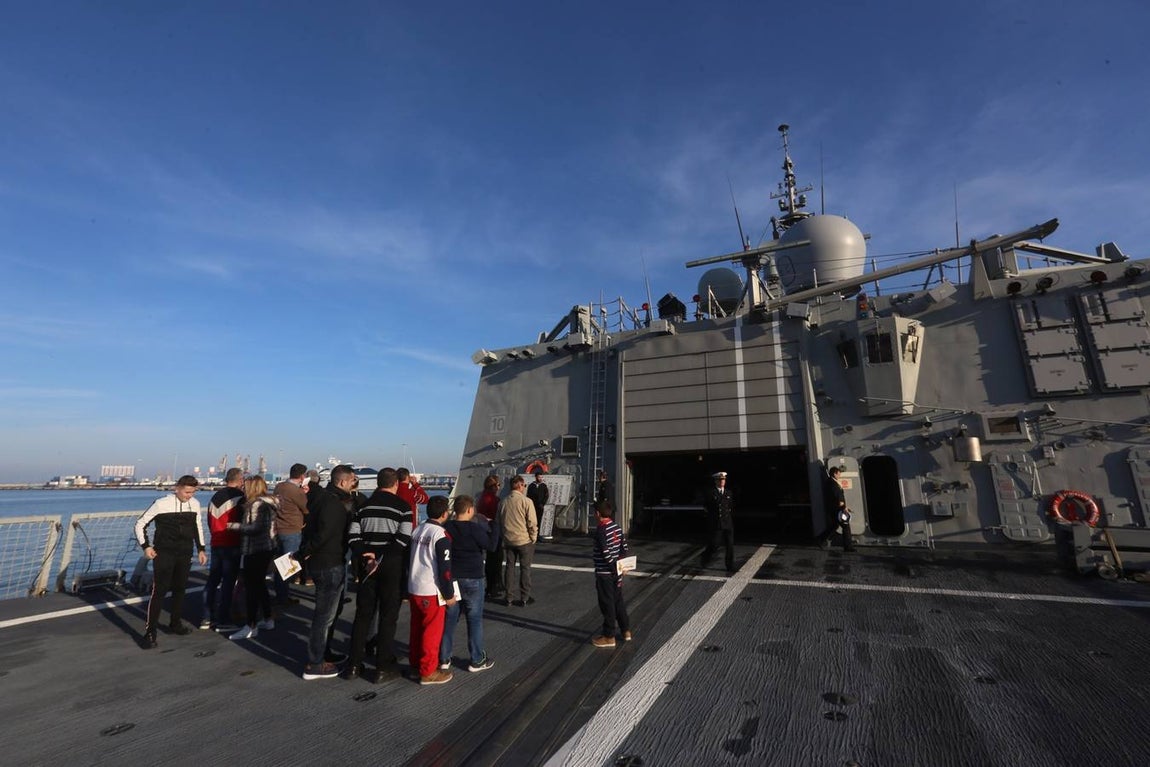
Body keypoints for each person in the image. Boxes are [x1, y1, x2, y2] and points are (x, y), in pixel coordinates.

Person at [342, 467, 413, 683]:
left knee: (363, 615)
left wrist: (368, 555)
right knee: (388, 617)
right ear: (396, 484)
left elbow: (352, 537)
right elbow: (403, 539)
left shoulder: (362, 507)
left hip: (366, 567)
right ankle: (383, 667)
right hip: (391, 567)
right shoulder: (404, 507)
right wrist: (381, 558)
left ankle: (353, 665)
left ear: (377, 483)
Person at [133, 475, 208, 648]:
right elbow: (140, 524)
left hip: (184, 552)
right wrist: (146, 546)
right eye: (187, 492)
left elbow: (197, 527)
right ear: (177, 488)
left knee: (180, 589)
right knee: (159, 591)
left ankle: (175, 623)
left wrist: (201, 549)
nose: (189, 495)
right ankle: (150, 632)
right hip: (164, 553)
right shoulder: (161, 503)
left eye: (193, 492)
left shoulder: (195, 504)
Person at [297, 464, 356, 680]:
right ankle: (315, 663)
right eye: (352, 481)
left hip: (325, 562)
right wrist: (304, 552)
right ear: (342, 481)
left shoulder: (320, 499)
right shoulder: (333, 504)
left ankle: (324, 652)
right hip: (330, 563)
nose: (354, 485)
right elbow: (324, 534)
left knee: (329, 613)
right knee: (324, 615)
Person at [440, 495, 495, 673]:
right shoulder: (475, 528)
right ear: (470, 510)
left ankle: (443, 658)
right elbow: (491, 545)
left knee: (450, 619)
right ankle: (477, 659)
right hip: (473, 578)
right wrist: (495, 526)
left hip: (453, 579)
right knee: (474, 619)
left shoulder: (446, 527)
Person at [408, 495, 457, 685]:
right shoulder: (441, 535)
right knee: (432, 632)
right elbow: (445, 570)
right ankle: (428, 671)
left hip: (414, 587)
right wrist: (449, 594)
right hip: (431, 589)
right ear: (445, 514)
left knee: (416, 629)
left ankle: (415, 665)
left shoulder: (417, 529)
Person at [229, 476, 279, 641]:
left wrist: (233, 526)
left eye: (245, 486)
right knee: (260, 585)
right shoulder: (270, 503)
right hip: (266, 548)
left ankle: (250, 625)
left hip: (254, 549)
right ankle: (268, 618)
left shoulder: (256, 504)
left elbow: (255, 527)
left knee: (251, 588)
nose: (243, 488)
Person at [201, 467, 244, 631]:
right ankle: (223, 618)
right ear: (240, 480)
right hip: (232, 543)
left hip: (216, 542)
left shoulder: (214, 497)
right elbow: (243, 522)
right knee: (228, 582)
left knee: (213, 579)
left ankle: (206, 616)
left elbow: (209, 521)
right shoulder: (239, 498)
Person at [591, 500, 632, 648]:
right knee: (618, 601)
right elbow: (624, 548)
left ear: (597, 514)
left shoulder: (601, 530)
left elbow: (605, 552)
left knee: (607, 604)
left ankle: (609, 636)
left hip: (605, 573)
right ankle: (625, 629)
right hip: (618, 572)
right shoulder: (617, 528)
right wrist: (620, 566)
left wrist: (612, 567)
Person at [273, 463, 309, 604]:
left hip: (278, 528)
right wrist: (304, 493)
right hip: (292, 529)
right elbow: (306, 508)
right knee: (288, 566)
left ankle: (280, 594)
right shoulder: (296, 491)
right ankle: (283, 597)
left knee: (280, 564)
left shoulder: (279, 487)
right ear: (302, 476)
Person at [499, 475, 537, 607]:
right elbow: (532, 522)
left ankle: (509, 597)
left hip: (508, 541)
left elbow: (499, 521)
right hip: (524, 541)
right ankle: (525, 597)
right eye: (524, 485)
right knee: (525, 569)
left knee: (509, 569)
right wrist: (533, 538)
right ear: (520, 485)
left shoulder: (503, 502)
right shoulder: (526, 501)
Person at [476, 475, 504, 600]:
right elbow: (497, 516)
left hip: (484, 530)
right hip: (493, 530)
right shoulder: (493, 499)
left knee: (490, 560)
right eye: (498, 485)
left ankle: (493, 585)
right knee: (496, 559)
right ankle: (494, 587)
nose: (499, 487)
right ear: (493, 486)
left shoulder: (481, 497)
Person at [701, 471, 735, 573]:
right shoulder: (710, 493)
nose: (722, 482)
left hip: (727, 523)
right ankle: (705, 558)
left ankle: (730, 566)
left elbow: (730, 507)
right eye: (720, 480)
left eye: (723, 480)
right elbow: (706, 507)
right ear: (715, 481)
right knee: (714, 544)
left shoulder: (728, 493)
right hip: (716, 523)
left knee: (730, 545)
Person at [822, 466, 856, 552]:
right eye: (838, 473)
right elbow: (838, 496)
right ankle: (848, 547)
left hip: (834, 508)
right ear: (834, 473)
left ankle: (819, 540)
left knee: (834, 526)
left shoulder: (829, 482)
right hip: (837, 509)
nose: (840, 474)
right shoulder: (833, 484)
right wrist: (844, 507)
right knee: (846, 526)